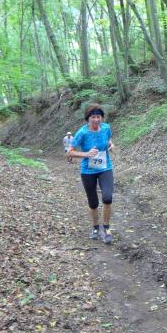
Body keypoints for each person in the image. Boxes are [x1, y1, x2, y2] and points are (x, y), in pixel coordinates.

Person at [67, 104, 115, 244]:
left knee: (107, 197)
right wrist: (86, 154)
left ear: (102, 118)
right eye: (93, 117)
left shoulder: (106, 128)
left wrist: (111, 145)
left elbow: (109, 140)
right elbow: (69, 152)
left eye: (98, 117)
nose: (96, 120)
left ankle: (106, 228)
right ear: (88, 118)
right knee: (93, 202)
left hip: (105, 167)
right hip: (88, 171)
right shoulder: (82, 133)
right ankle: (95, 228)